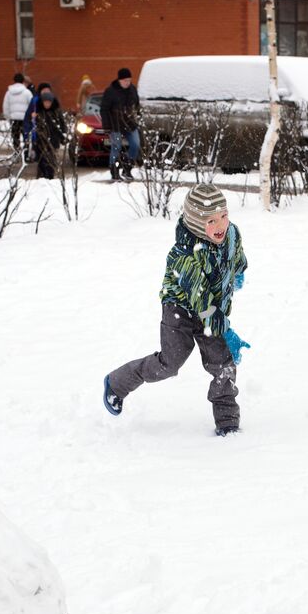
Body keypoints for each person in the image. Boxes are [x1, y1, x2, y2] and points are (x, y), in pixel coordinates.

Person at [104, 184, 250, 436]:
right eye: (211, 220)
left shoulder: (231, 234)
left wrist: (238, 273)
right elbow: (203, 303)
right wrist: (226, 331)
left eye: (224, 216)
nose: (221, 225)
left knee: (222, 363)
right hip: (180, 309)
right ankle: (117, 383)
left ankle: (227, 421)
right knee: (170, 364)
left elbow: (237, 256)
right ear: (195, 223)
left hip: (212, 309)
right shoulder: (184, 257)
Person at [100, 67, 140, 182]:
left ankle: (127, 167)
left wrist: (137, 116)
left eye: (129, 80)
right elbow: (104, 109)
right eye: (125, 81)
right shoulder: (111, 91)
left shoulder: (132, 89)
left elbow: (137, 105)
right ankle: (114, 170)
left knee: (135, 144)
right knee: (116, 146)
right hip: (115, 124)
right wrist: (107, 126)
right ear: (119, 80)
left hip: (130, 123)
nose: (127, 83)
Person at [30, 86, 67, 179]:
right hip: (41, 140)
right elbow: (35, 127)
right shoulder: (39, 112)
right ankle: (41, 178)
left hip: (53, 140)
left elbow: (62, 124)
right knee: (41, 161)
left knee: (51, 160)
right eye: (45, 102)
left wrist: (63, 136)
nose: (47, 104)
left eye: (49, 102)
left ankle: (50, 177)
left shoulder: (56, 112)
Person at [2, 73, 33, 155]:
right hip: (25, 119)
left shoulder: (9, 93)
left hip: (14, 119)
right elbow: (32, 105)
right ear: (23, 81)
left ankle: (16, 153)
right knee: (26, 136)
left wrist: (8, 117)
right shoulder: (27, 92)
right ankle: (26, 155)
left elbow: (5, 106)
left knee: (15, 137)